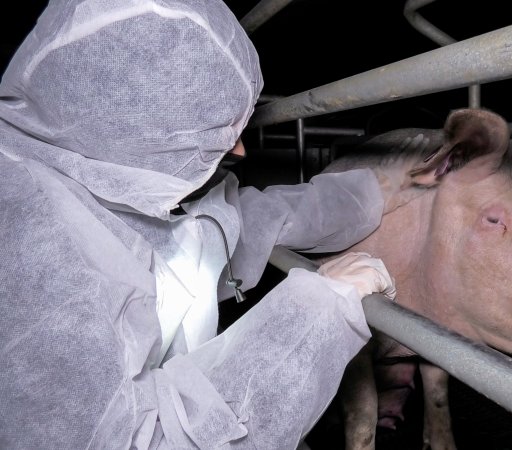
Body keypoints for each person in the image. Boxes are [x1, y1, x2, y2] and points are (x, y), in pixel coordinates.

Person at [0, 0, 396, 448]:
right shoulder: (33, 262)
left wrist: (374, 192)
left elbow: (227, 226)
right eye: (213, 131)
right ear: (136, 127)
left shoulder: (94, 183)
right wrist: (317, 312)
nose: (240, 151)